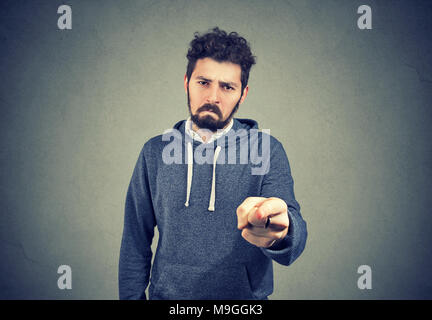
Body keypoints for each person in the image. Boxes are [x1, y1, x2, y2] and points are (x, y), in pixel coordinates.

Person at [119, 27, 307, 300]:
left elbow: (294, 240)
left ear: (243, 94)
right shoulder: (154, 152)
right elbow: (135, 242)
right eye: (203, 82)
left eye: (227, 87)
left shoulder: (266, 149)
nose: (213, 97)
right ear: (186, 82)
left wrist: (282, 229)